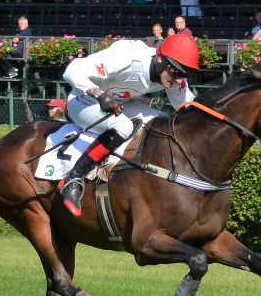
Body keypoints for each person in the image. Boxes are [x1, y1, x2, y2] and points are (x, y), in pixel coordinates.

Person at [58, 34, 200, 216]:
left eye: (185, 75)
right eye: (176, 72)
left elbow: (188, 106)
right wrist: (100, 94)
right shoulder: (127, 59)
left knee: (162, 123)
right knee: (124, 127)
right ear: (160, 58)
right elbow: (72, 70)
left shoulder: (169, 71)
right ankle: (73, 178)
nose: (179, 80)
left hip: (118, 103)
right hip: (83, 100)